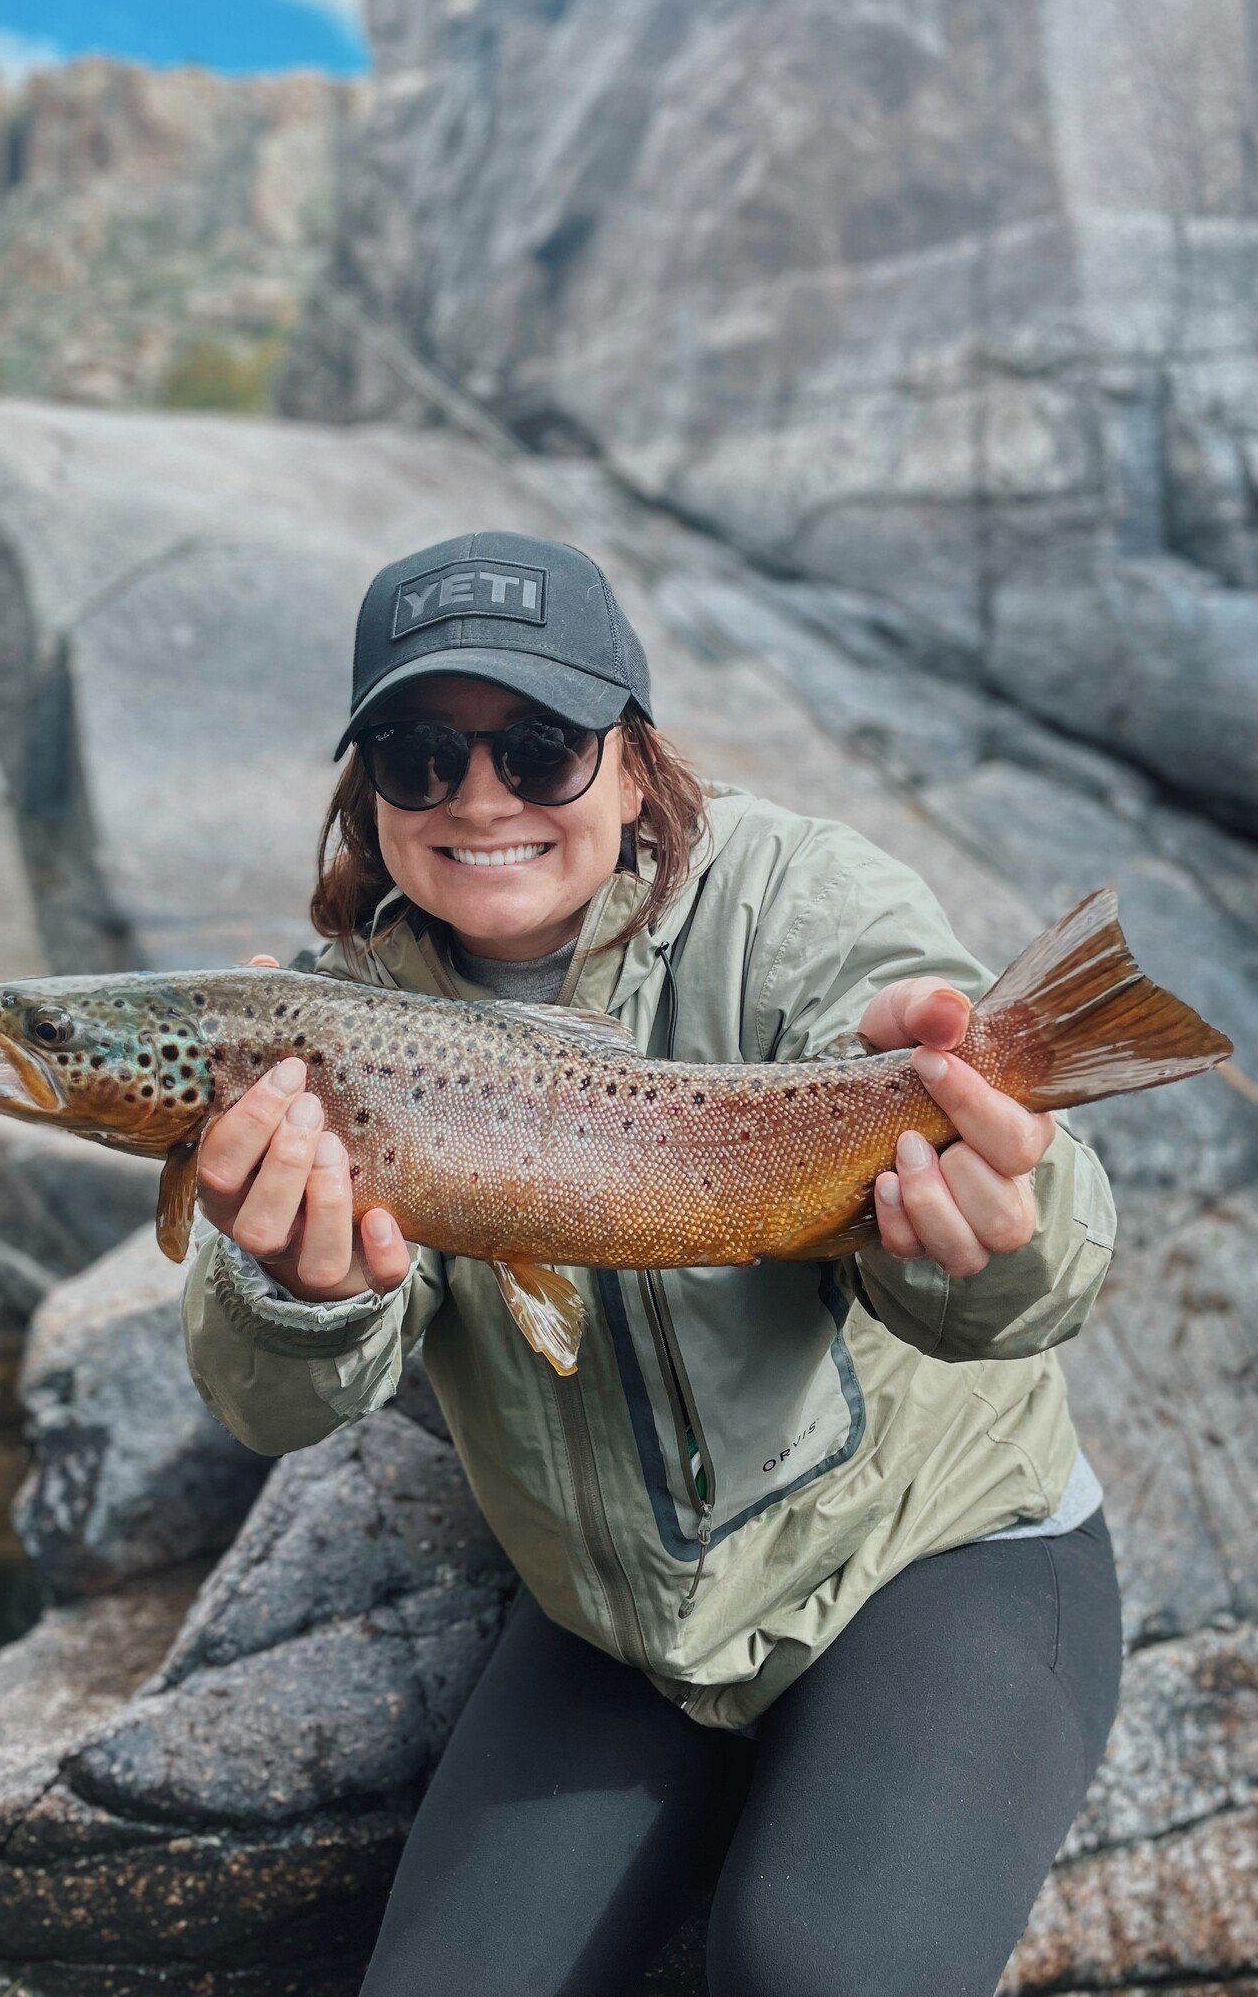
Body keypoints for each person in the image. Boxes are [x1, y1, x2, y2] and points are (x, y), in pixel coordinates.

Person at [179, 531, 1122, 1997]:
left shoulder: (798, 901)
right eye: (421, 756)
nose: (479, 797)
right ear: (368, 794)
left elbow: (1037, 1280)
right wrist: (302, 1295)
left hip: (934, 1558)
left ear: (633, 759)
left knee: (811, 1969)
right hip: (621, 1626)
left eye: (541, 748)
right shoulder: (331, 1023)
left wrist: (999, 1208)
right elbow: (271, 1404)